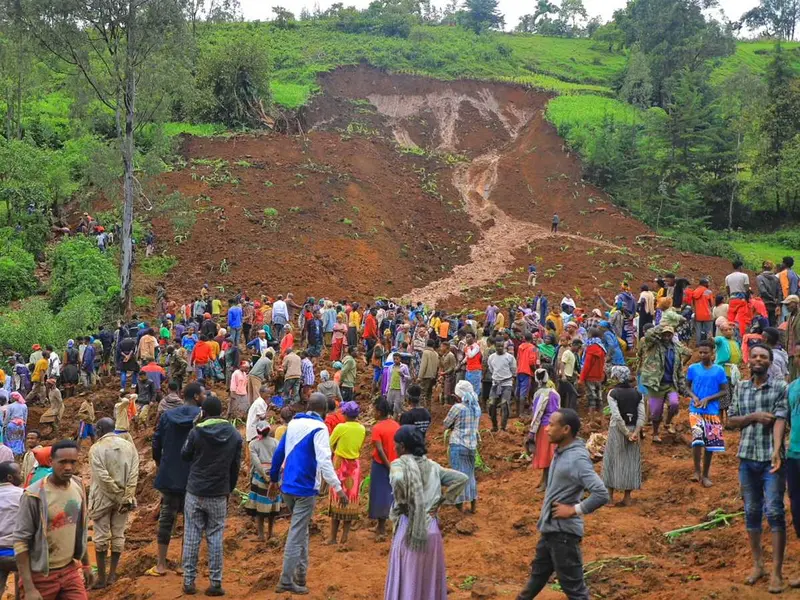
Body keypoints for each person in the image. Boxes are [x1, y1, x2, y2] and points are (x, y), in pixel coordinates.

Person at [516, 409, 610, 600]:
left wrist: (574, 510)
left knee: (575, 591)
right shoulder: (562, 451)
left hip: (564, 536)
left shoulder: (577, 458)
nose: (547, 428)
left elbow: (601, 493)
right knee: (536, 579)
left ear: (566, 429)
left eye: (551, 424)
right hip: (550, 530)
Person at [268, 393, 345, 595]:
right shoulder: (319, 428)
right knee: (296, 532)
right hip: (305, 488)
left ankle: (301, 576)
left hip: (287, 486)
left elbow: (279, 452)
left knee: (301, 530)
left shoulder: (293, 423)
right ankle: (286, 580)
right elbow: (324, 461)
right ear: (325, 411)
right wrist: (337, 487)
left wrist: (273, 479)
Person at [728, 344, 788, 594]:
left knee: (774, 512)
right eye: (754, 356)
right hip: (746, 458)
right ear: (749, 360)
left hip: (770, 460)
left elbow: (781, 420)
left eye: (763, 356)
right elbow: (730, 420)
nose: (758, 360)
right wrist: (753, 417)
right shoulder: (740, 387)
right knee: (751, 511)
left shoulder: (779, 388)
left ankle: (776, 572)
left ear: (770, 362)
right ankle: (758, 565)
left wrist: (776, 450)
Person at [384, 425, 468, 600]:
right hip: (432, 529)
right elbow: (462, 478)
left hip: (410, 528)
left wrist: (403, 502)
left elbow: (398, 478)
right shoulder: (433, 466)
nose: (394, 447)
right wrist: (441, 501)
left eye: (396, 444)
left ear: (403, 446)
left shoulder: (399, 464)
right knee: (427, 579)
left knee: (408, 579)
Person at [13, 440, 95, 600]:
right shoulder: (34, 495)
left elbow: (81, 529)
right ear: (51, 462)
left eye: (73, 462)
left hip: (70, 571)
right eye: (62, 462)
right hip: (41, 576)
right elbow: (21, 541)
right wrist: (29, 588)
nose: (68, 467)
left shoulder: (78, 486)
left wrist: (86, 564)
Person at [180, 394, 243, 596]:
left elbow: (185, 455)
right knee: (215, 537)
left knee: (191, 536)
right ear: (221, 412)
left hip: (196, 490)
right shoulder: (234, 434)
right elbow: (235, 467)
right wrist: (229, 488)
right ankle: (215, 583)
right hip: (219, 492)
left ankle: (189, 582)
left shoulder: (197, 432)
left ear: (203, 412)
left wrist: (194, 426)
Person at [148, 382, 203, 577]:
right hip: (194, 476)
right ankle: (183, 564)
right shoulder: (202, 417)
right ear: (196, 397)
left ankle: (161, 564)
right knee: (191, 520)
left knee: (166, 517)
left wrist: (159, 463)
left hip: (170, 473)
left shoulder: (168, 416)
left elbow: (156, 442)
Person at [88, 418, 139, 589]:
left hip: (102, 498)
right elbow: (134, 473)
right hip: (124, 498)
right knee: (118, 534)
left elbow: (101, 476)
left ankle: (101, 579)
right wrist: (126, 496)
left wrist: (116, 495)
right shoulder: (129, 446)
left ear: (100, 429)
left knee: (100, 537)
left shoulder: (96, 448)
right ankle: (112, 575)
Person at [687, 340, 728, 488]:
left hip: (712, 411)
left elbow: (724, 390)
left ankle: (705, 474)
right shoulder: (693, 368)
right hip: (695, 409)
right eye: (701, 352)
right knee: (697, 439)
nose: (703, 355)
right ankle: (697, 471)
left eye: (706, 352)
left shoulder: (719, 370)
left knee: (710, 445)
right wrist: (694, 396)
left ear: (713, 353)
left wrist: (708, 398)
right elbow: (687, 386)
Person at [601, 367, 644, 507]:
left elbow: (617, 416)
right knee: (631, 461)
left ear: (615, 377)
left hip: (617, 430)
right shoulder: (638, 393)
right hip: (633, 430)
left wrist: (626, 433)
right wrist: (635, 433)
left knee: (612, 460)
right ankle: (627, 497)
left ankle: (609, 497)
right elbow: (642, 415)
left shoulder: (613, 393)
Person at [640, 325, 686, 442]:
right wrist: (661, 325)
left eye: (669, 334)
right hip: (656, 384)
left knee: (674, 404)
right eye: (664, 334)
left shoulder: (676, 349)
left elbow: (679, 368)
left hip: (671, 383)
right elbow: (649, 335)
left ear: (672, 335)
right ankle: (655, 433)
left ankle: (667, 422)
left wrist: (682, 384)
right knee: (656, 411)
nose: (666, 337)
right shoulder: (654, 345)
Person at [328, 401, 366, 545]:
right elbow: (359, 446)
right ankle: (345, 536)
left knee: (337, 496)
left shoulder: (340, 427)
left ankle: (332, 537)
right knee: (351, 499)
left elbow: (330, 444)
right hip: (354, 465)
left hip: (340, 464)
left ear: (345, 414)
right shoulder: (362, 429)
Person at [443, 380, 481, 513]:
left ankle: (458, 508)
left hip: (458, 444)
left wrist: (453, 426)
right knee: (470, 475)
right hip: (471, 446)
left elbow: (446, 424)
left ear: (459, 395)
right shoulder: (476, 408)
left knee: (458, 476)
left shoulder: (457, 408)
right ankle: (473, 505)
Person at [245, 420, 282, 541]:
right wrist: (274, 477)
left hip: (260, 478)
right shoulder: (276, 442)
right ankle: (270, 533)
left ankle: (261, 535)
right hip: (275, 477)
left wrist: (265, 477)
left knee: (259, 508)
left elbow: (256, 463)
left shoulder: (253, 444)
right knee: (272, 506)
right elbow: (281, 460)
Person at [370, 399, 400, 542]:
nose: (372, 412)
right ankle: (385, 525)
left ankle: (381, 528)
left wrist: (388, 465)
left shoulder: (377, 428)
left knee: (380, 495)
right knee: (391, 493)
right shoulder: (396, 425)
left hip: (381, 465)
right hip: (395, 463)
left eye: (374, 410)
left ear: (379, 412)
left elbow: (380, 449)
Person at [526, 370, 561, 492]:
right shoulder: (555, 393)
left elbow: (537, 414)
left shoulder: (539, 394)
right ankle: (545, 480)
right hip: (556, 426)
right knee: (551, 454)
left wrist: (532, 431)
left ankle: (546, 483)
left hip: (544, 427)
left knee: (545, 455)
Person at [0, 460, 23, 597]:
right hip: (18, 553)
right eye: (19, 473)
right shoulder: (24, 495)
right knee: (24, 583)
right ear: (10, 477)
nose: (21, 476)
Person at [715, 319, 743, 425]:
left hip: (733, 371)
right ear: (722, 332)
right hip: (723, 371)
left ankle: (729, 421)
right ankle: (720, 421)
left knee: (732, 396)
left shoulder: (735, 342)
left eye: (730, 329)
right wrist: (712, 339)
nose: (728, 331)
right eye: (725, 330)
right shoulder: (721, 340)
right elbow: (716, 340)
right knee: (723, 397)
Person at [487, 339, 517, 432]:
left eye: (501, 346)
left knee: (504, 405)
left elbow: (513, 370)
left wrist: (511, 380)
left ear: (504, 346)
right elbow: (491, 369)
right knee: (492, 405)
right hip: (495, 384)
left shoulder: (509, 357)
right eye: (498, 346)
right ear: (495, 347)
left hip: (506, 384)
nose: (500, 348)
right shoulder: (491, 357)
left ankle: (503, 427)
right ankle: (494, 426)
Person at [578, 330, 607, 418]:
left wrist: (581, 379)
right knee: (599, 398)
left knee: (591, 399)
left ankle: (591, 420)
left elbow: (587, 365)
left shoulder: (590, 349)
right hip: (599, 376)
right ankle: (602, 419)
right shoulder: (602, 348)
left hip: (590, 377)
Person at [726, 259, 752, 338]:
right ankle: (740, 337)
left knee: (731, 319)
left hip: (732, 300)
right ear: (740, 267)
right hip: (742, 300)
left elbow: (728, 290)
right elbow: (747, 289)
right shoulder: (744, 276)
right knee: (741, 320)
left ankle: (729, 336)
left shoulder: (728, 277)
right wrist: (748, 299)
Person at [557, 339, 581, 411]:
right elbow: (562, 363)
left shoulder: (573, 355)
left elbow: (570, 367)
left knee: (563, 395)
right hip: (565, 377)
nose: (579, 349)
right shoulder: (567, 353)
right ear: (574, 345)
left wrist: (577, 374)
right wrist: (563, 375)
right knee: (573, 393)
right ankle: (570, 411)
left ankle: (563, 411)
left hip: (569, 377)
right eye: (578, 347)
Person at [758, 262, 783, 328]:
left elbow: (763, 291)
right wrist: (778, 302)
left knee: (764, 324)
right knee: (773, 323)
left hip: (764, 303)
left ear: (763, 268)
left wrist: (771, 298)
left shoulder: (759, 277)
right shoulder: (776, 278)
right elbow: (780, 292)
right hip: (774, 304)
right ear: (771, 268)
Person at [386, 353, 411, 417]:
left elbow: (409, 378)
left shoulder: (404, 367)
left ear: (400, 359)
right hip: (391, 388)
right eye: (394, 359)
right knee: (388, 403)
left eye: (397, 359)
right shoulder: (390, 367)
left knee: (397, 405)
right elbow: (388, 379)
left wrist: (403, 375)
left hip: (399, 389)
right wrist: (387, 388)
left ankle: (395, 419)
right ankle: (389, 417)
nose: (395, 360)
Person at [418, 340, 439, 407]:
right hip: (433, 376)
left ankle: (422, 409)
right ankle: (428, 409)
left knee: (422, 394)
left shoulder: (425, 353)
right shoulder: (436, 354)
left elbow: (423, 365)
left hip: (425, 376)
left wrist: (419, 377)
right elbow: (437, 366)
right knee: (429, 394)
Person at [784, 295, 800, 381]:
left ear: (796, 304)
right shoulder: (788, 317)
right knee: (792, 375)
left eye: (789, 304)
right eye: (786, 305)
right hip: (790, 351)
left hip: (798, 351)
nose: (787, 307)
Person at [779, 257, 799, 323]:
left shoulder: (783, 273)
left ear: (785, 264)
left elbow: (785, 288)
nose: (781, 264)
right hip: (795, 300)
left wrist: (784, 301)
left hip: (788, 300)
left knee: (785, 320)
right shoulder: (796, 274)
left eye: (782, 262)